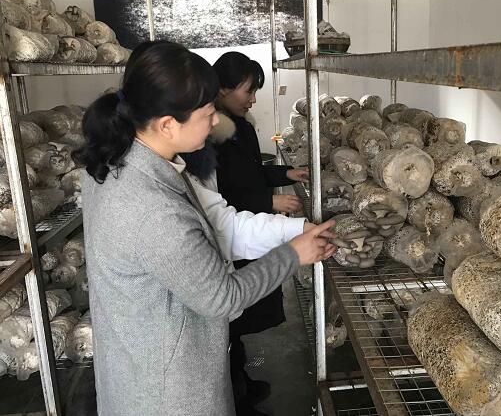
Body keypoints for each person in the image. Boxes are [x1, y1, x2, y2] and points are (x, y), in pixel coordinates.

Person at [74, 41, 336, 416]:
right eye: (208, 112)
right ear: (167, 124)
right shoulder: (152, 207)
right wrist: (293, 254)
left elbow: (216, 226)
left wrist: (290, 231)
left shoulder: (122, 162)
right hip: (169, 391)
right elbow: (222, 297)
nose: (215, 122)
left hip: (138, 361)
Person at [207, 51, 309, 416]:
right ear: (222, 88)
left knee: (236, 325)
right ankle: (235, 399)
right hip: (234, 238)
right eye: (248, 91)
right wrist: (269, 202)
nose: (253, 99)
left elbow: (250, 174)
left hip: (248, 228)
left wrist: (286, 174)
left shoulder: (241, 126)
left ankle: (241, 386)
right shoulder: (209, 137)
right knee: (228, 323)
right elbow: (218, 198)